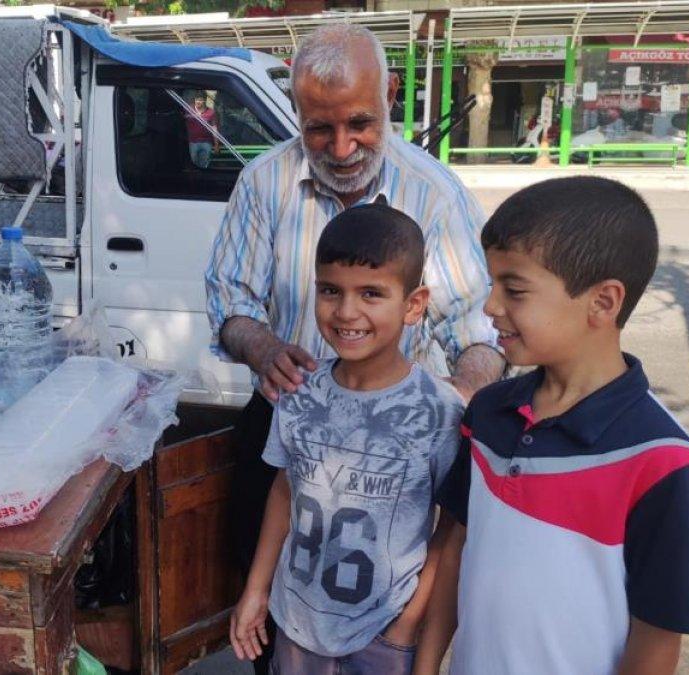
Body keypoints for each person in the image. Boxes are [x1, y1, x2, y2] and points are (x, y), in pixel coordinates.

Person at [204, 24, 503, 672]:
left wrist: (463, 395)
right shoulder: (263, 184)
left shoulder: (435, 193)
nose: (341, 147)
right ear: (296, 111)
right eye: (319, 128)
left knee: (383, 616)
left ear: (390, 95)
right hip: (293, 421)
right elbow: (229, 298)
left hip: (400, 448)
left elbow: (480, 324)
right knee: (280, 614)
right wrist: (260, 344)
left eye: (360, 123)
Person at [415, 176, 689, 675]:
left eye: (515, 290)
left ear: (603, 302)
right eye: (491, 284)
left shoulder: (660, 460)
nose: (490, 307)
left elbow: (657, 636)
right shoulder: (488, 415)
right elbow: (455, 550)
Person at [230, 202, 464, 674]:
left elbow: (451, 531)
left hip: (383, 632)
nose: (346, 311)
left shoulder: (438, 411)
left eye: (372, 293)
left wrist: (408, 627)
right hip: (296, 623)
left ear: (414, 304)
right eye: (331, 290)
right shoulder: (297, 392)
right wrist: (256, 591)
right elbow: (283, 489)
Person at [186, 92, 219, 168]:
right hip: (192, 143)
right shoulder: (188, 110)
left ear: (205, 101)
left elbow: (214, 128)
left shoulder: (211, 112)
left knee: (204, 165)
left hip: (206, 143)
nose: (198, 102)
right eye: (197, 100)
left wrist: (216, 144)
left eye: (200, 100)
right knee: (192, 165)